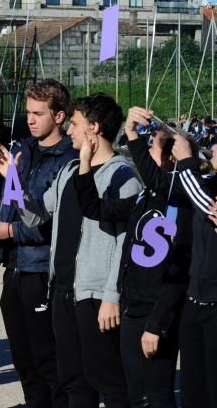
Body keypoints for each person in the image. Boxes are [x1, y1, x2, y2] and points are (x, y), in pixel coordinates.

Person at [16, 94, 144, 408]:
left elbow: (126, 245)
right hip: (62, 290)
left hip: (96, 295)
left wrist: (112, 296)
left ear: (94, 128)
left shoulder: (121, 177)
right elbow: (36, 215)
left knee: (108, 380)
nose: (70, 131)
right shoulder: (69, 172)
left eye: (75, 124)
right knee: (73, 380)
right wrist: (12, 182)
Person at [70, 107, 192, 408]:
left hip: (156, 312)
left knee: (158, 395)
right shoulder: (145, 197)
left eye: (151, 149)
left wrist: (134, 134)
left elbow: (178, 270)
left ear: (169, 158)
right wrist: (84, 163)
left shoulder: (179, 201)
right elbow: (95, 209)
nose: (142, 156)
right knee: (136, 395)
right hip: (133, 308)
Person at [0, 80, 75, 408]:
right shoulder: (22, 150)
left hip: (42, 269)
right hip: (14, 267)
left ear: (59, 116)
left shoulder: (68, 159)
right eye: (28, 112)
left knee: (49, 361)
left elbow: (53, 220)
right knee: (24, 360)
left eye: (38, 113)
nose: (29, 119)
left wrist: (12, 232)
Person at [171, 136, 217, 407]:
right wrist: (134, 140)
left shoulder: (204, 189)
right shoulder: (209, 182)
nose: (212, 149)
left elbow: (202, 201)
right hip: (195, 299)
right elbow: (164, 186)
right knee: (192, 389)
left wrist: (187, 160)